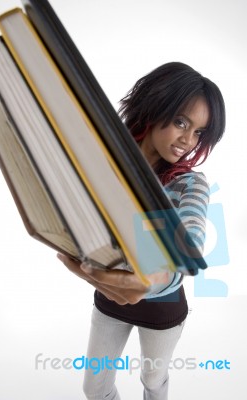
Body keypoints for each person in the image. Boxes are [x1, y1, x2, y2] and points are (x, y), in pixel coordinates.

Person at [57, 62, 226, 399]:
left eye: (198, 133)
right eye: (181, 122)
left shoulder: (189, 182)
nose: (187, 141)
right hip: (110, 300)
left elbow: (189, 243)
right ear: (154, 107)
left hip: (163, 309)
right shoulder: (104, 164)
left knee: (153, 383)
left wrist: (154, 279)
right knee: (94, 386)